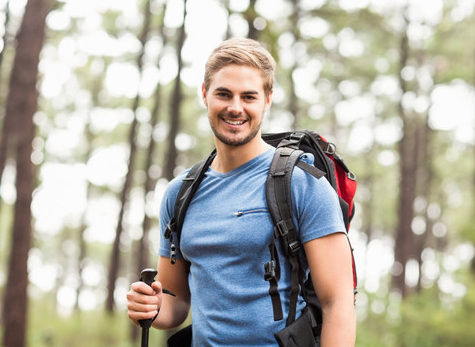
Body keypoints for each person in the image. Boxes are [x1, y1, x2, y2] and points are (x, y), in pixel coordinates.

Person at [126, 38, 356, 346]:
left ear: (267, 99)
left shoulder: (302, 184)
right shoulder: (179, 193)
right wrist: (152, 307)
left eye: (249, 96)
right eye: (224, 94)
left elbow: (337, 303)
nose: (236, 108)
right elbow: (176, 301)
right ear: (205, 93)